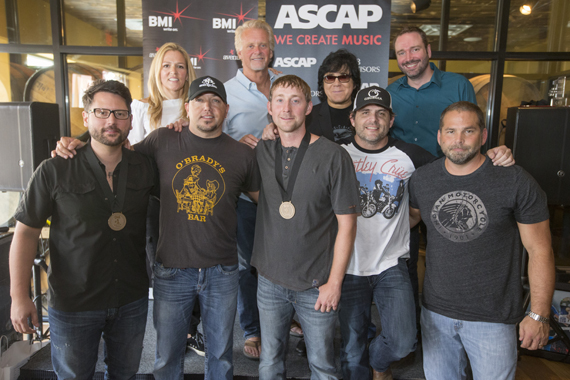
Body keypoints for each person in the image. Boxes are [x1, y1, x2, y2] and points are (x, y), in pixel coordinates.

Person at [53, 76, 261, 380]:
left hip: (222, 272)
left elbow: (265, 203)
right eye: (200, 100)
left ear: (226, 109)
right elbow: (114, 151)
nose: (208, 107)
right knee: (167, 357)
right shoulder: (162, 140)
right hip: (172, 272)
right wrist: (79, 143)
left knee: (221, 358)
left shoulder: (241, 154)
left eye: (215, 101)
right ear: (187, 107)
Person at [10, 80, 157, 379]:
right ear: (86, 117)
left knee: (125, 375)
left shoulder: (145, 167)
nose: (111, 121)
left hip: (131, 297)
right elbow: (25, 233)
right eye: (102, 112)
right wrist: (19, 297)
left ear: (130, 120)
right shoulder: (54, 170)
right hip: (74, 302)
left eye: (120, 113)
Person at [409, 101, 555, 380]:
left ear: (484, 136)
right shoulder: (422, 180)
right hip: (436, 314)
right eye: (450, 132)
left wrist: (538, 315)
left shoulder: (514, 181)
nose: (459, 140)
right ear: (439, 137)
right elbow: (407, 221)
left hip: (493, 319)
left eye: (468, 131)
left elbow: (540, 250)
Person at [387, 26, 513, 318]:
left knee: (455, 250)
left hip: (453, 179)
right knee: (407, 251)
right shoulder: (391, 92)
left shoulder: (457, 84)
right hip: (407, 184)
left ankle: (460, 314)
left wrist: (495, 151)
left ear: (428, 51)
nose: (409, 57)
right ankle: (414, 323)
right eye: (401, 53)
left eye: (415, 49)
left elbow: (473, 128)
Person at [252, 75, 359, 380]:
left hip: (317, 285)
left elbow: (347, 226)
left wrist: (334, 283)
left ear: (308, 107)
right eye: (280, 100)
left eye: (296, 100)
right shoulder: (263, 149)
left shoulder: (334, 156)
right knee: (270, 362)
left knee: (323, 366)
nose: (287, 108)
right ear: (270, 108)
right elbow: (256, 192)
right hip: (270, 281)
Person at [340, 86, 434, 380]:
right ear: (353, 118)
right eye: (366, 112)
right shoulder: (335, 153)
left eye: (381, 113)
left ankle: (379, 363)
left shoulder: (411, 156)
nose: (373, 120)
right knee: (352, 350)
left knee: (403, 341)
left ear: (391, 120)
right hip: (348, 265)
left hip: (391, 264)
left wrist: (498, 155)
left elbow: (457, 168)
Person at [132, 41, 205, 356]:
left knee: (195, 267)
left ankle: (190, 329)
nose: (173, 72)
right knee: (161, 267)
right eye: (166, 65)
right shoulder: (141, 107)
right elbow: (130, 154)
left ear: (188, 71)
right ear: (156, 70)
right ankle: (169, 334)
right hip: (154, 202)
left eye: (179, 66)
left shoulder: (201, 105)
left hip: (192, 200)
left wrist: (194, 127)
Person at [222, 19, 280, 359]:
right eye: (250, 46)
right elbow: (209, 139)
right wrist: (234, 141)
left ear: (271, 49)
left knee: (283, 260)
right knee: (248, 267)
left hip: (287, 193)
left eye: (262, 45)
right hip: (246, 197)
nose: (257, 51)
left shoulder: (285, 84)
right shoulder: (225, 93)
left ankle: (286, 319)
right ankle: (253, 330)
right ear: (238, 52)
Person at [306, 49, 361, 144]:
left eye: (344, 77)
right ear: (322, 83)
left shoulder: (366, 116)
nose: (336, 83)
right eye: (329, 78)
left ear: (354, 83)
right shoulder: (307, 117)